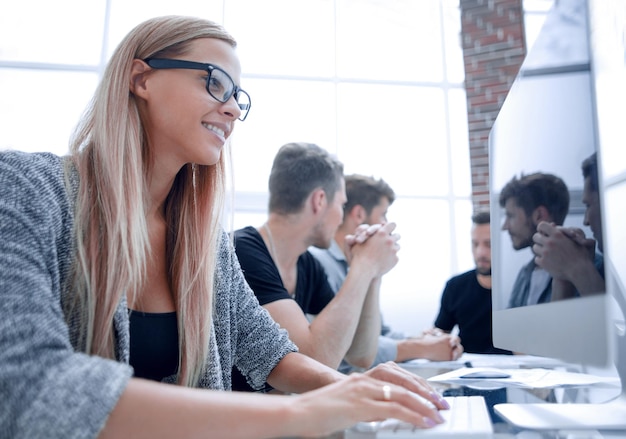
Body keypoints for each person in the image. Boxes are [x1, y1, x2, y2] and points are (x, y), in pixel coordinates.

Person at [0, 15, 451, 438]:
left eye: (238, 96)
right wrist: (299, 412)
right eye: (215, 83)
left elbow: (268, 350)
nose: (233, 109)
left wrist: (355, 389)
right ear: (141, 79)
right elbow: (26, 383)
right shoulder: (28, 189)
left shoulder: (203, 241)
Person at [232, 143, 400, 388]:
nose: (342, 218)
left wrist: (372, 274)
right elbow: (315, 361)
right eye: (341, 205)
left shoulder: (307, 265)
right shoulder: (242, 252)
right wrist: (364, 267)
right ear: (320, 200)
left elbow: (360, 354)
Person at [309, 173, 463, 372]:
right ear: (359, 215)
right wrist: (421, 348)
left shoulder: (357, 264)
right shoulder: (318, 265)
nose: (386, 223)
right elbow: (341, 347)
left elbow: (379, 333)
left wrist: (424, 339)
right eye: (383, 214)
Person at [430, 211, 511, 355]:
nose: (480, 252)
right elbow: (440, 332)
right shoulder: (455, 286)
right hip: (466, 369)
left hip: (516, 370)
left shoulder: (520, 287)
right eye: (475, 244)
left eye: (489, 244)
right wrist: (433, 337)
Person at [533, 152, 605, 300]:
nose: (585, 221)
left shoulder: (596, 268)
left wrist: (577, 266)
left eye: (588, 205)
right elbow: (559, 324)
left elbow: (613, 321)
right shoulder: (605, 270)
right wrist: (563, 279)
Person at [499, 172, 570, 308]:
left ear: (539, 215)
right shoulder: (524, 274)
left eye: (510, 216)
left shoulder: (594, 269)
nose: (504, 226)